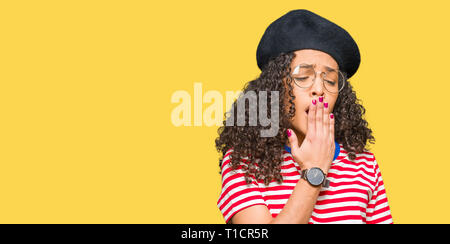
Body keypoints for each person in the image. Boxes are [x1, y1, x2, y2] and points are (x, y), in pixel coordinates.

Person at [215, 9, 393, 224]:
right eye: (303, 76)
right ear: (274, 89)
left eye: (330, 81)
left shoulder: (364, 165)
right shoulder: (244, 162)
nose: (319, 89)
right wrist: (314, 171)